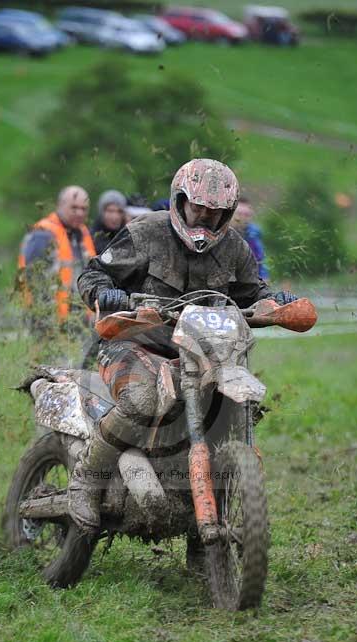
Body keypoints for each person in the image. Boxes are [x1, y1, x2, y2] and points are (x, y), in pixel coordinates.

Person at [68, 158, 297, 533]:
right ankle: (87, 481)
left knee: (232, 412)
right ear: (180, 201)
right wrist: (105, 293)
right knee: (141, 401)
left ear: (227, 214)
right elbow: (94, 272)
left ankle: (205, 544)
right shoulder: (146, 232)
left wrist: (276, 303)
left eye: (214, 213)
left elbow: (251, 293)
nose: (204, 219)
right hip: (133, 345)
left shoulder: (235, 249)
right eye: (198, 209)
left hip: (201, 356)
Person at [17, 185, 96, 326]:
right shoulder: (43, 234)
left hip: (78, 319)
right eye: (74, 208)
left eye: (84, 209)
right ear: (60, 205)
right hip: (48, 318)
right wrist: (44, 318)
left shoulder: (81, 234)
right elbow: (34, 280)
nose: (79, 213)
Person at [231, 196, 269, 280]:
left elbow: (261, 265)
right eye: (239, 214)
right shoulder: (219, 234)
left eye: (247, 215)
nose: (242, 218)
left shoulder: (254, 237)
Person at [91, 190, 127, 255]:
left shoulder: (127, 237)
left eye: (119, 211)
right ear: (102, 212)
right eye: (110, 211)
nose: (115, 216)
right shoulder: (90, 238)